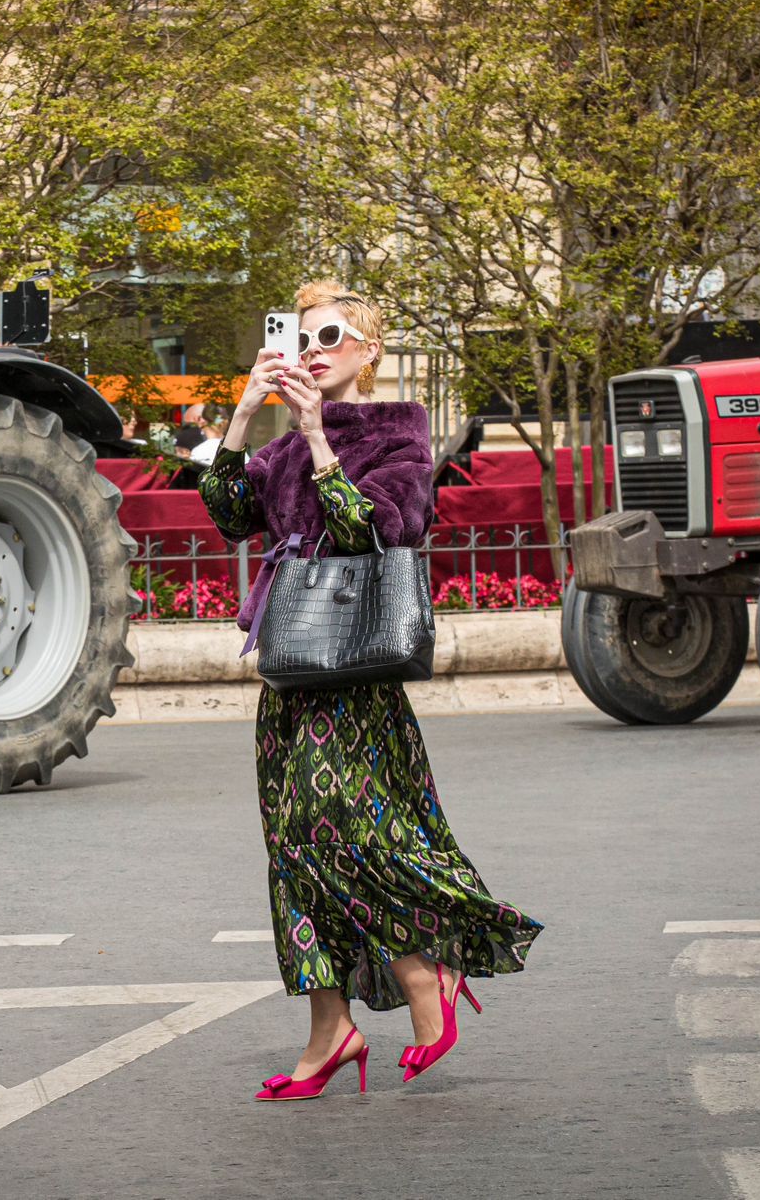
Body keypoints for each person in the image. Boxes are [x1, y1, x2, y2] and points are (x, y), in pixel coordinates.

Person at [199, 282, 541, 1101]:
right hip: (291, 677)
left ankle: (427, 978)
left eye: (330, 335)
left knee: (354, 834)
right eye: (299, 337)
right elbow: (230, 516)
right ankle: (331, 1029)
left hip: (355, 678)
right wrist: (246, 416)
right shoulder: (277, 450)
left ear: (368, 349)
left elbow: (376, 535)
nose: (312, 350)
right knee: (293, 850)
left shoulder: (400, 440)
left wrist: (317, 437)